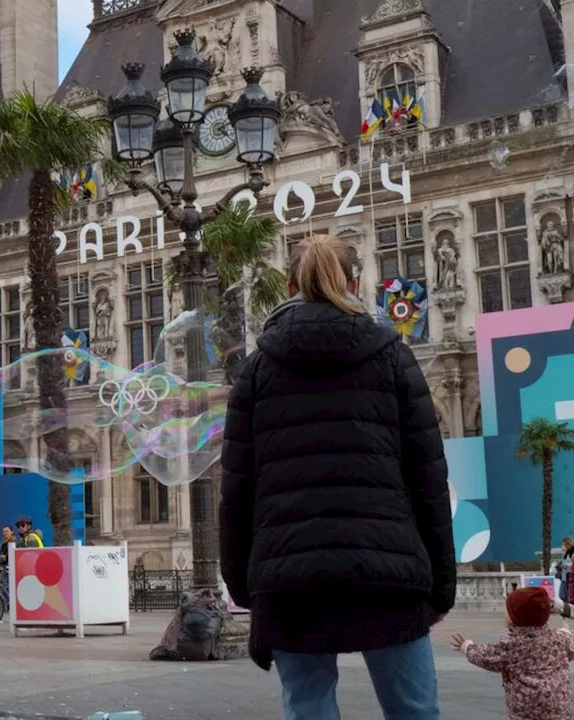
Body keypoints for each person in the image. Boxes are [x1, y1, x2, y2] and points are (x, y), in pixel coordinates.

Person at [219, 235, 454, 720]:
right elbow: (427, 478)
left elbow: (238, 490)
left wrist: (243, 580)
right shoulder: (394, 357)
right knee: (413, 709)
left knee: (307, 708)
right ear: (355, 282)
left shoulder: (257, 370)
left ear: (290, 285)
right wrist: (441, 581)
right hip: (388, 571)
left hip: (289, 576)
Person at [452, 587, 574, 719]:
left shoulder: (511, 646)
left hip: (526, 711)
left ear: (516, 617)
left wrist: (467, 646)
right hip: (559, 707)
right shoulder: (560, 639)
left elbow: (485, 656)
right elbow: (569, 644)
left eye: (507, 610)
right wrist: (566, 631)